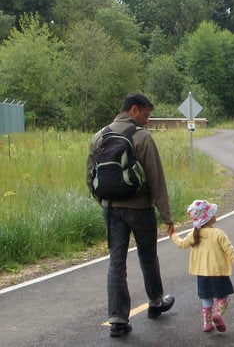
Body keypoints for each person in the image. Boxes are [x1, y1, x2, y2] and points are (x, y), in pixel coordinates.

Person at [86, 93, 175, 337]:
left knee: (116, 262)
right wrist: (167, 215)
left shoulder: (99, 136)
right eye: (146, 115)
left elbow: (89, 176)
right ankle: (156, 302)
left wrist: (105, 202)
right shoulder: (142, 138)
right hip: (141, 209)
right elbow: (157, 180)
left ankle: (117, 319)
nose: (147, 120)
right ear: (134, 110)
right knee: (148, 256)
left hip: (111, 209)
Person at [169, 200, 234, 333]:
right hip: (218, 273)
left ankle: (207, 323)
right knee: (223, 297)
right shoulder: (218, 233)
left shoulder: (194, 234)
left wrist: (173, 235)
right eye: (213, 213)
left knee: (206, 298)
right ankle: (218, 314)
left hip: (202, 274)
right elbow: (230, 251)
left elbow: (181, 244)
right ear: (209, 218)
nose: (215, 215)